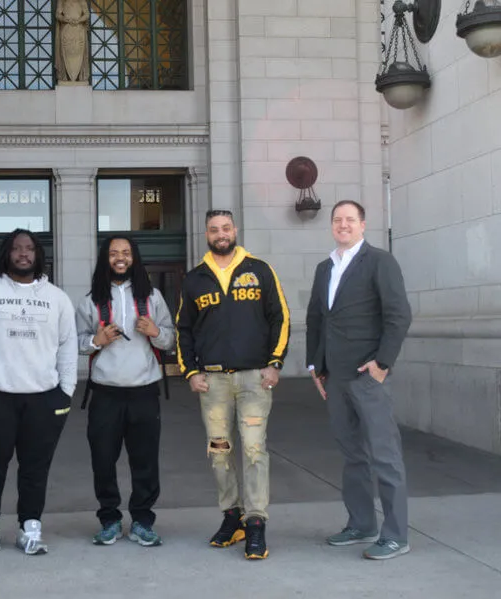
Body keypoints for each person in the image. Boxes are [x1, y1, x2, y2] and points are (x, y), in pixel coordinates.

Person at [0, 229, 78, 555]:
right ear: (6, 253)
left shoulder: (56, 297)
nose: (23, 254)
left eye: (30, 248)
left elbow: (68, 346)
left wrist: (66, 390)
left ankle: (30, 527)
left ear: (39, 254)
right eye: (17, 248)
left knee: (36, 466)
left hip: (45, 396)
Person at [176, 209, 290, 560]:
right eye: (214, 229)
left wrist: (275, 363)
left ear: (235, 230)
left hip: (255, 378)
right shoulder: (195, 278)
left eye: (226, 228)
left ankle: (256, 524)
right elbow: (184, 329)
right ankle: (232, 517)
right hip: (213, 383)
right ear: (207, 234)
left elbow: (280, 317)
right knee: (220, 452)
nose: (221, 234)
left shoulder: (259, 270)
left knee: (254, 450)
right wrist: (190, 371)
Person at [306, 200, 412, 560]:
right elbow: (317, 320)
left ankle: (396, 534)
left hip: (368, 377)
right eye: (338, 220)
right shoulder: (325, 268)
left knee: (385, 456)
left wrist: (383, 363)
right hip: (335, 377)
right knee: (352, 454)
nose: (343, 225)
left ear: (363, 225)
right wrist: (315, 367)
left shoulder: (380, 262)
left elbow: (398, 315)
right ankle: (362, 524)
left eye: (350, 219)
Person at [76, 236, 175, 547]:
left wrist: (156, 333)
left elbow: (171, 338)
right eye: (114, 253)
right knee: (102, 459)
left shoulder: (153, 297)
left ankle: (143, 520)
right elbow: (75, 342)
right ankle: (109, 519)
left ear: (135, 258)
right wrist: (97, 340)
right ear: (105, 258)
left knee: (145, 461)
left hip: (144, 391)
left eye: (126, 253)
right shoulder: (91, 300)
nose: (120, 258)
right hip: (105, 393)